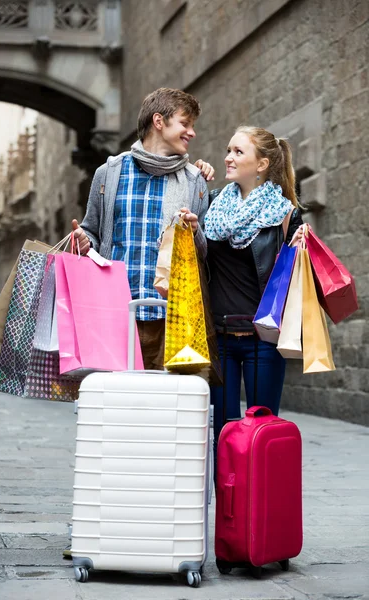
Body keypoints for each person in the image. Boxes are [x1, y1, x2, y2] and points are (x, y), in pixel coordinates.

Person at [72, 87, 214, 370]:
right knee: (118, 405)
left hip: (171, 319)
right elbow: (93, 234)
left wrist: (196, 232)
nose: (192, 133)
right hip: (116, 315)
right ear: (159, 122)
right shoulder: (110, 173)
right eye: (185, 124)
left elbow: (205, 254)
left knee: (165, 407)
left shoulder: (194, 180)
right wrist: (83, 241)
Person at [204, 125, 304, 458]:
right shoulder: (214, 206)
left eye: (238, 152)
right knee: (221, 434)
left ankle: (258, 505)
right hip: (221, 338)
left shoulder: (284, 214)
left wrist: (303, 248)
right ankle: (228, 506)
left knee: (262, 433)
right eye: (228, 150)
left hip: (263, 341)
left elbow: (298, 278)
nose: (228, 157)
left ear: (261, 164)